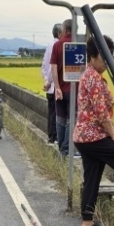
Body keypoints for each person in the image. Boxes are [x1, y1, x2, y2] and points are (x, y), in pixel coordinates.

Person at [73, 35, 114, 226]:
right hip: (94, 136)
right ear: (91, 57)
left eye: (110, 57)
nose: (107, 62)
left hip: (83, 137)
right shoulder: (93, 78)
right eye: (103, 58)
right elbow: (101, 113)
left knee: (92, 176)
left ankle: (87, 220)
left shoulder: (89, 75)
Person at [50, 19, 72, 155]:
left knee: (60, 119)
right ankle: (65, 149)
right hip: (74, 90)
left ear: (64, 30)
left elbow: (53, 67)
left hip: (60, 90)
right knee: (71, 120)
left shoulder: (57, 45)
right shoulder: (79, 45)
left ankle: (61, 148)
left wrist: (57, 87)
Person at [41, 23, 62, 144]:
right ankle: (54, 137)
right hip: (55, 86)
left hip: (50, 86)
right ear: (59, 33)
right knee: (57, 114)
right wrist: (49, 81)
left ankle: (51, 136)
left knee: (51, 113)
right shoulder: (57, 45)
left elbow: (44, 66)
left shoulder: (49, 45)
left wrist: (46, 80)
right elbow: (52, 68)